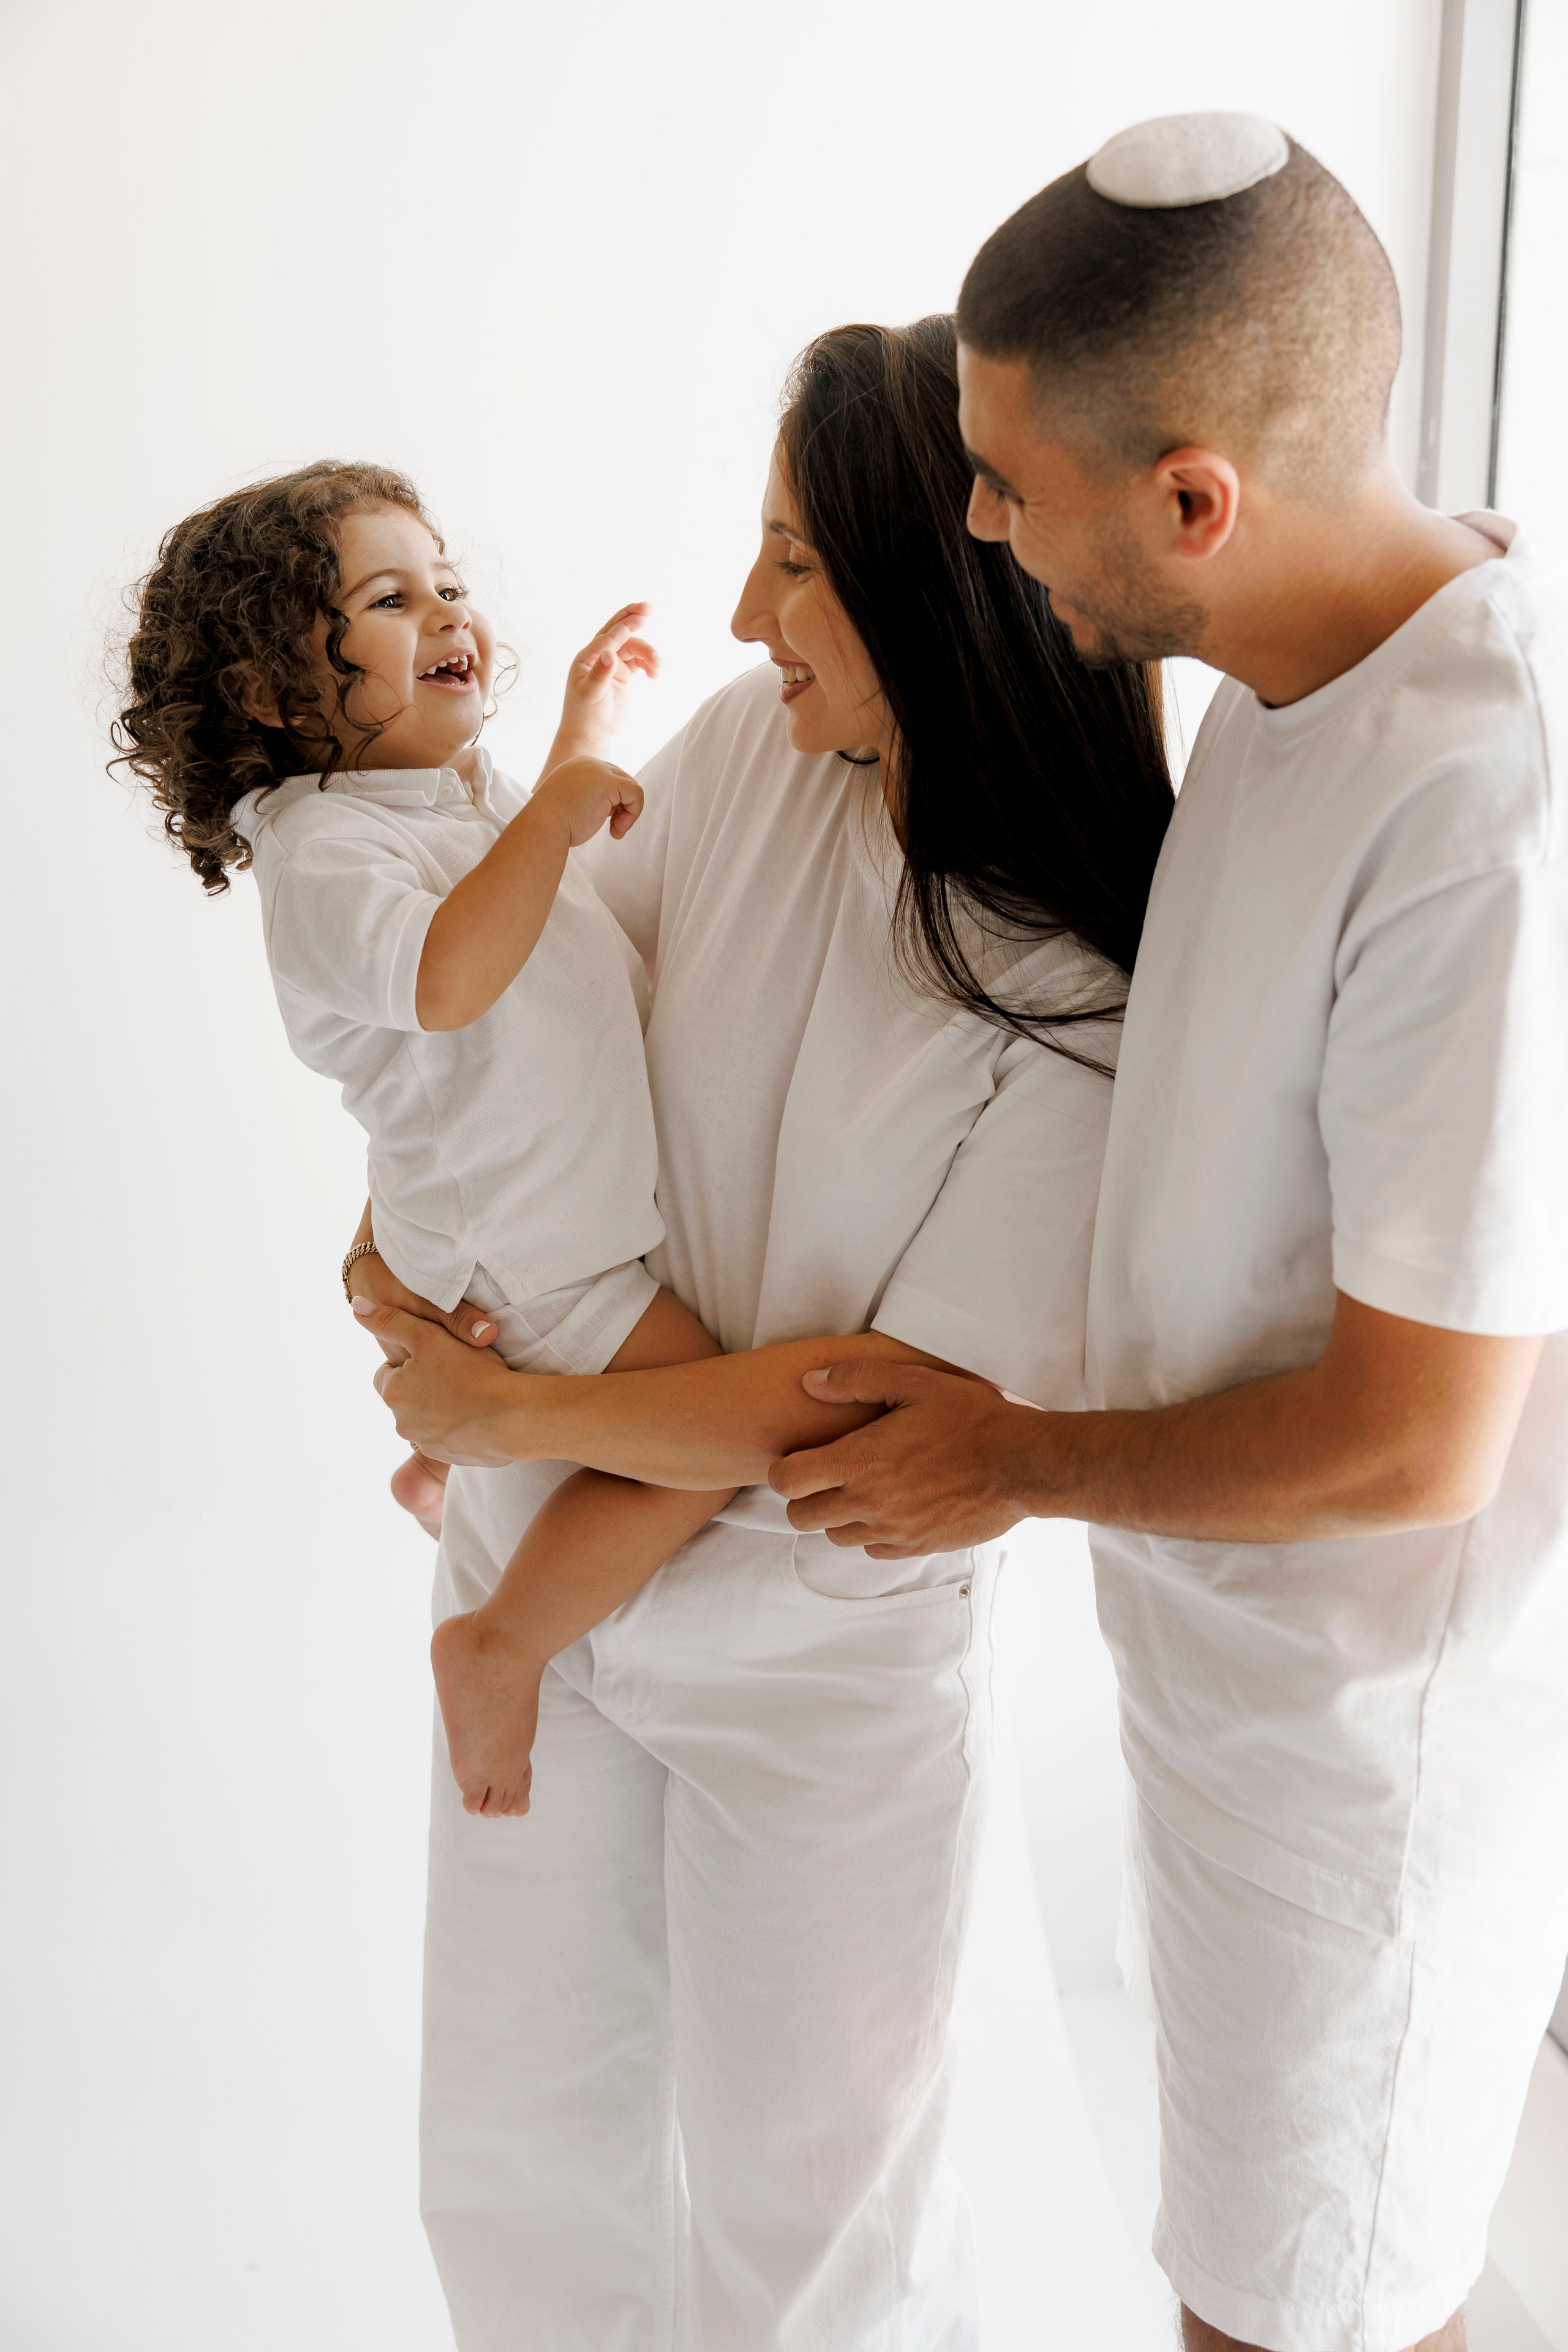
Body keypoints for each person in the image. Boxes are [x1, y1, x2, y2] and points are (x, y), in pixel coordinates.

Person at [761, 119, 1568, 2352]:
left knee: (1306, 2320)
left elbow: (1422, 1445)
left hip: (1366, 1775)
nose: (984, 528)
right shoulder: (1294, 693)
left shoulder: (1484, 804)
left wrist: (1011, 1461)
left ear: (1198, 497)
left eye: (1008, 484)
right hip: (1242, 1720)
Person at [350, 315, 1172, 2349]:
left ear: (943, 584)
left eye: (797, 563)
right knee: (514, 2167)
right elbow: (527, 1073)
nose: (742, 609)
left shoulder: (1072, 989)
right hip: (539, 1574)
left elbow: (860, 1434)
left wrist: (504, 1392)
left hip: (814, 1667)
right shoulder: (738, 750)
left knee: (822, 2235)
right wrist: (406, 1278)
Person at [116, 461, 769, 1818]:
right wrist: (549, 806)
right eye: (389, 599)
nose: (447, 614)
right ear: (269, 689)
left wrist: (584, 723)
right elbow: (447, 979)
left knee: (665, 1416)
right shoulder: (322, 856)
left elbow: (536, 872)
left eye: (450, 585)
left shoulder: (442, 796)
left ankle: (444, 1467)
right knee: (705, 1443)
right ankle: (500, 1643)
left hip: (513, 1214)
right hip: (527, 1248)